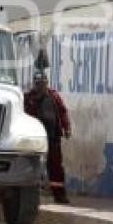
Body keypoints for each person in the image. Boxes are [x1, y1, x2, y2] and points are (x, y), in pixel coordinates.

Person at [24, 70, 71, 204]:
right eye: (38, 84)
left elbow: (63, 112)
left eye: (43, 83)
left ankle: (59, 196)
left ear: (47, 83)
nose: (41, 86)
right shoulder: (28, 98)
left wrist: (67, 128)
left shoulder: (54, 96)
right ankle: (32, 197)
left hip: (53, 137)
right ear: (34, 84)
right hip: (35, 139)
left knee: (56, 166)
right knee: (33, 166)